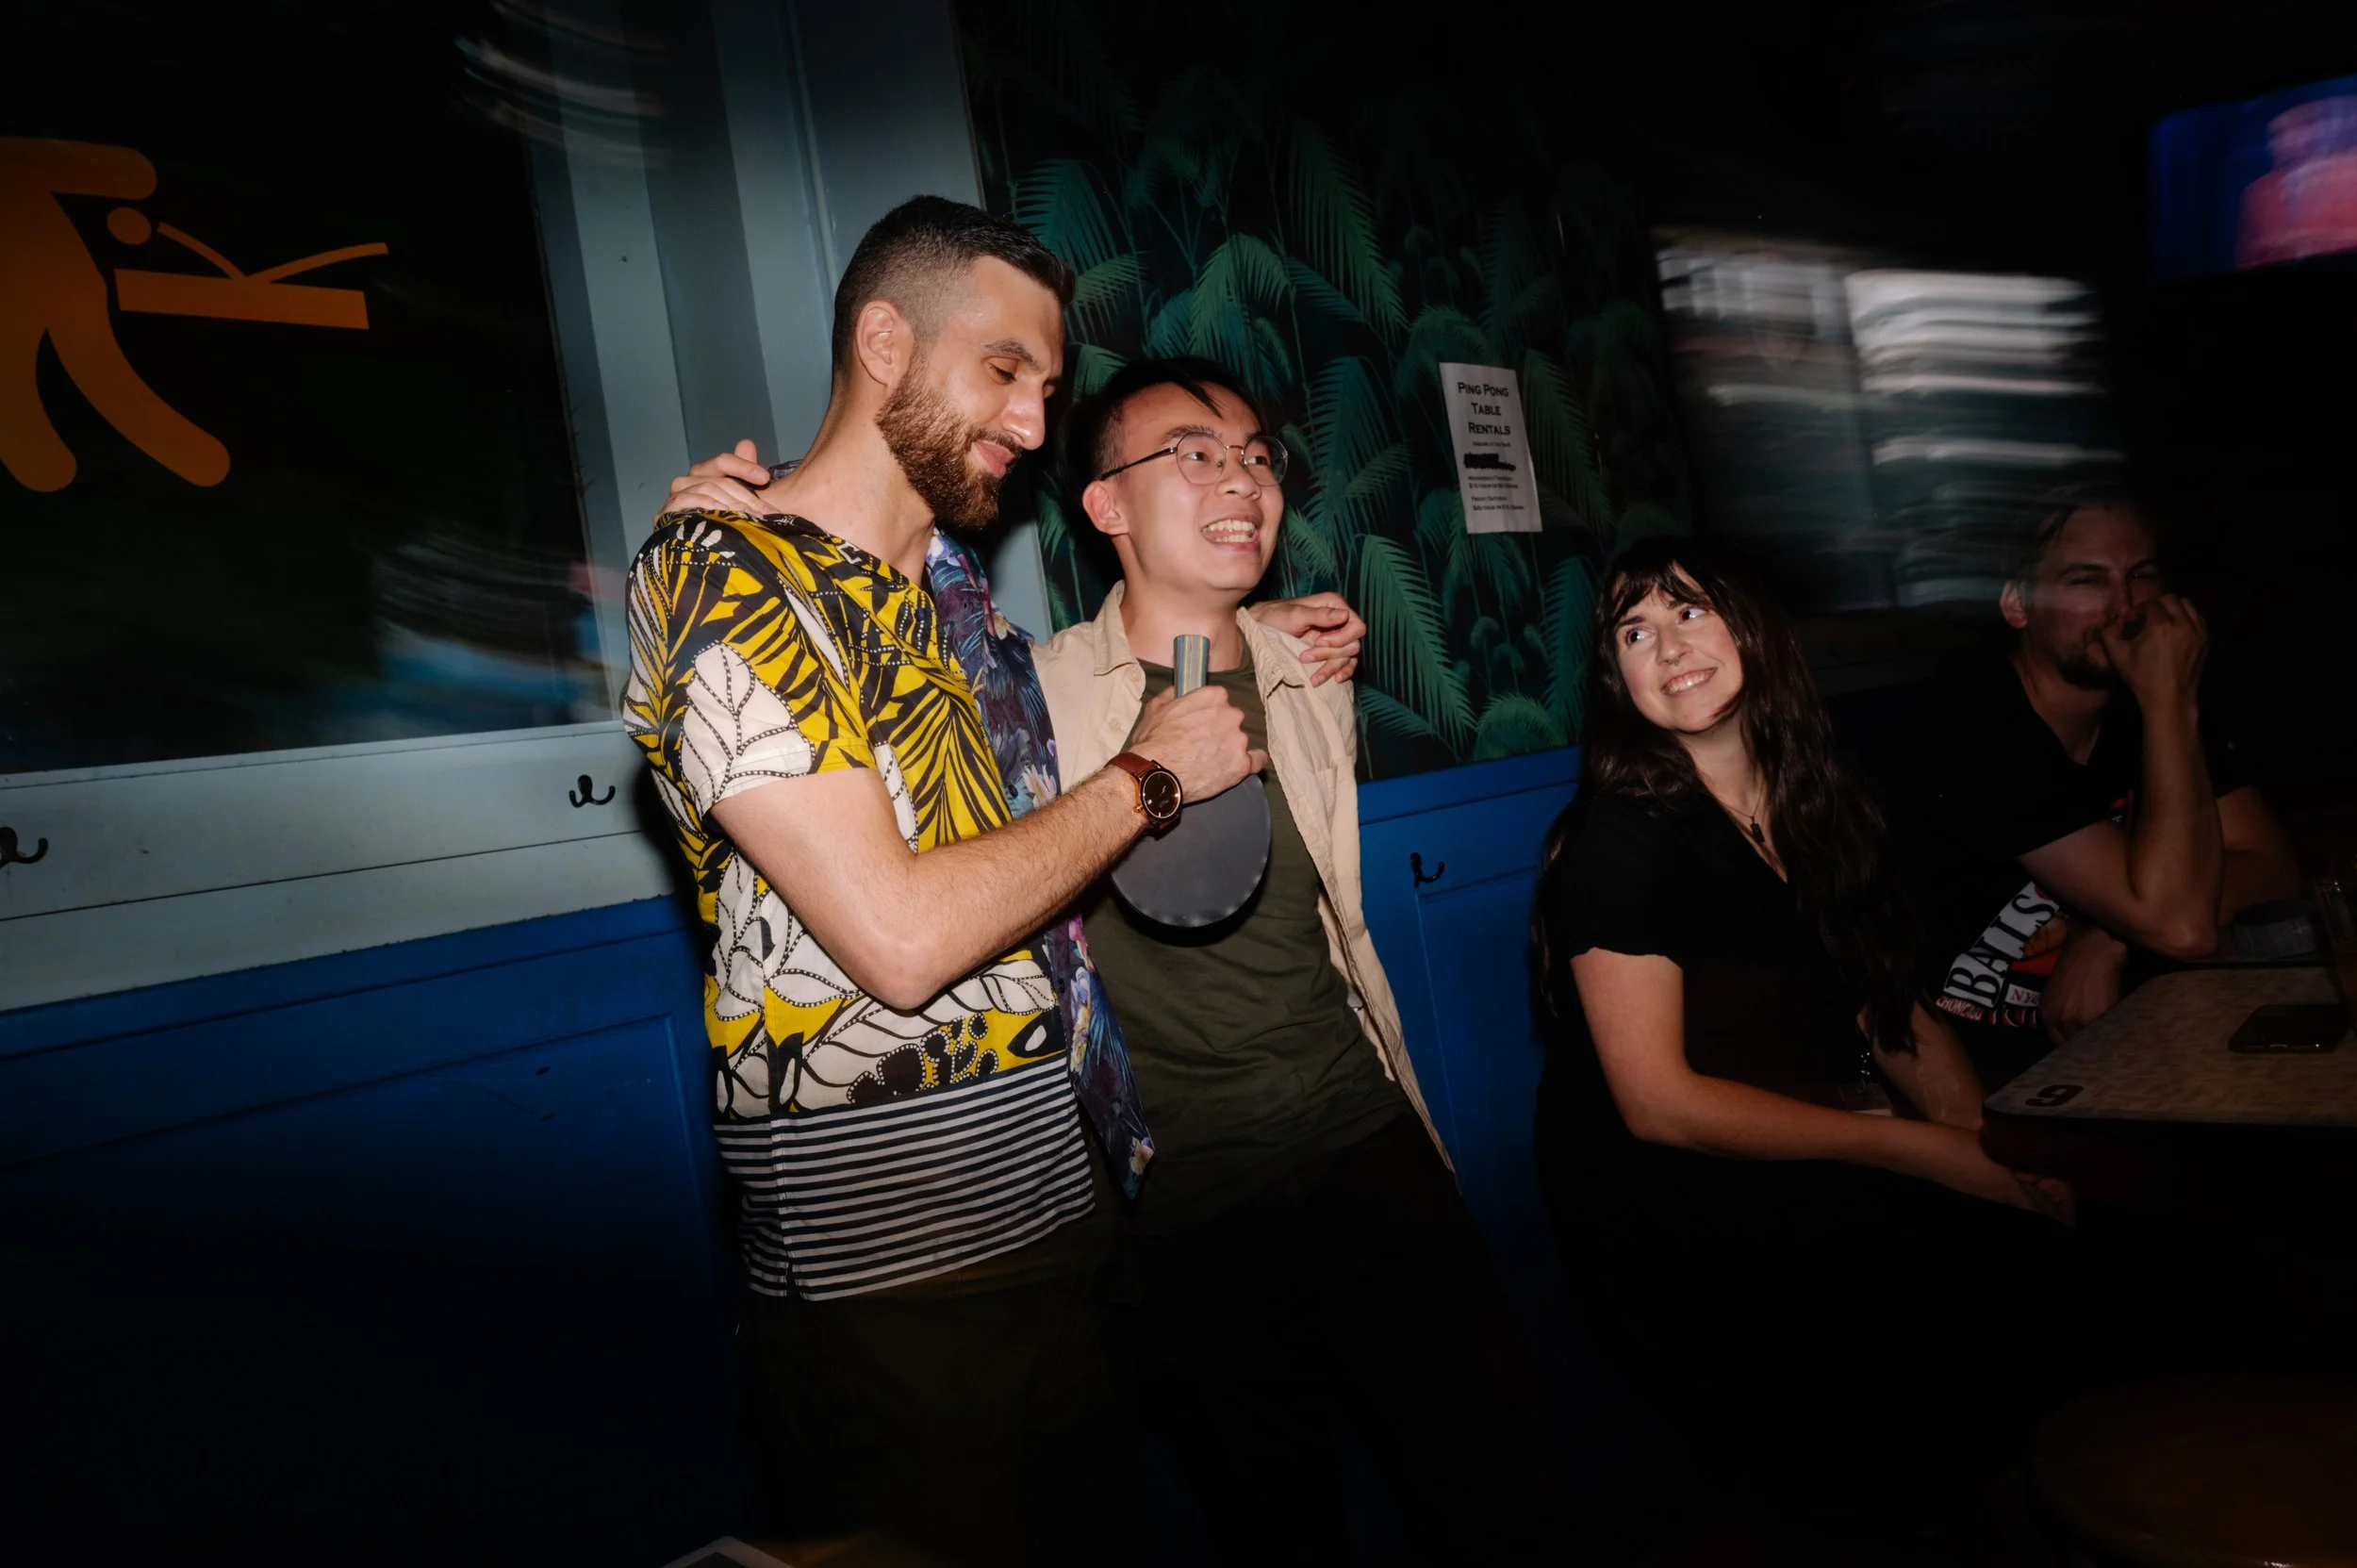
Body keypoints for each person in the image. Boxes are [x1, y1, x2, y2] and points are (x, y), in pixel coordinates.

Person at [629, 197, 1365, 1564]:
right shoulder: (726, 575)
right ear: (886, 340)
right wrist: (1150, 776)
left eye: (1048, 387)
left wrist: (1241, 620)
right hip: (886, 1266)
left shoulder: (951, 586)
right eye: (1005, 372)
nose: (1033, 424)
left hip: (1060, 1208)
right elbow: (899, 937)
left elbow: (1060, 704)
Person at [1032, 356, 1561, 1561]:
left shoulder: (1307, 671)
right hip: (1185, 1208)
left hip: (1367, 1144)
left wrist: (1251, 629)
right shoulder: (1034, 698)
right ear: (1106, 505)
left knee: (1507, 1489)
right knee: (1277, 1526)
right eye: (1194, 454)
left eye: (1258, 455)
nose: (1242, 478)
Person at [1531, 536, 2074, 1537]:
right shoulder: (1620, 837)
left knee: (2038, 1258)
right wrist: (1925, 1150)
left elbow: (1890, 1002)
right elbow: (1658, 1106)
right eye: (1635, 631)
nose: (1668, 645)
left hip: (1803, 1133)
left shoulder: (1821, 796)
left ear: (1751, 626)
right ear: (1617, 675)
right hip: (1668, 1209)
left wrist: (1983, 1142)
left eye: (1691, 611)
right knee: (1933, 1332)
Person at [1888, 486, 2300, 1088]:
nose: (2125, 609)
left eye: (2141, 577)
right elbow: (2180, 927)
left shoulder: (2158, 706)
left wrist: (2108, 936)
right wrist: (2168, 701)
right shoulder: (1971, 729)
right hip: (1962, 1073)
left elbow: (2271, 870)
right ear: (2018, 605)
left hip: (2120, 1044)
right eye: (2087, 582)